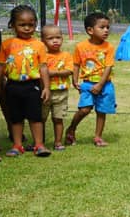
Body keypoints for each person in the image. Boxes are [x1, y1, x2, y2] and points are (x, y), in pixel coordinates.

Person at [0, 5, 51, 157]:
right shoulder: (7, 44)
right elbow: (0, 65)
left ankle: (39, 144)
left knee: (35, 117)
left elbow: (43, 67)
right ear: (12, 25)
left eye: (31, 24)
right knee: (16, 118)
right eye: (22, 24)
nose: (27, 28)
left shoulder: (39, 45)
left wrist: (46, 87)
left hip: (32, 86)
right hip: (12, 86)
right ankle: (17, 145)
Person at [65, 12, 115, 147]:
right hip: (87, 84)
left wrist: (100, 84)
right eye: (102, 27)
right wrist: (75, 80)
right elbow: (76, 64)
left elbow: (108, 67)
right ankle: (71, 128)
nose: (106, 30)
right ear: (90, 30)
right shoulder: (80, 47)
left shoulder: (108, 47)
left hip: (105, 85)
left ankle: (98, 137)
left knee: (101, 111)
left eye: (107, 27)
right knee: (85, 109)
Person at [41, 25, 74, 151]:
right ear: (43, 41)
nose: (55, 41)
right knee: (41, 119)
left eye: (58, 37)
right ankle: (40, 142)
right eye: (50, 38)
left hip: (61, 93)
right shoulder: (42, 55)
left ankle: (58, 142)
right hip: (44, 92)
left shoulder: (66, 55)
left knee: (58, 118)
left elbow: (69, 70)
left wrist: (53, 73)